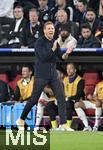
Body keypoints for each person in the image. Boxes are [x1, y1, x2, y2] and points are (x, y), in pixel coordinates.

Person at [16, 21, 72, 130]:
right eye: (49, 29)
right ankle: (21, 119)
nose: (51, 30)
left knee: (61, 97)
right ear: (44, 30)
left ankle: (63, 124)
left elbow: (62, 57)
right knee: (34, 99)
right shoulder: (39, 42)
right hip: (41, 75)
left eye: (52, 29)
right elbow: (43, 57)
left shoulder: (55, 42)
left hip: (53, 76)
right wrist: (53, 49)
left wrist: (67, 53)